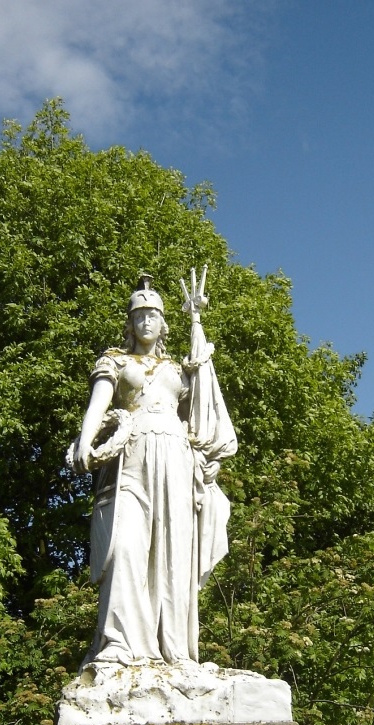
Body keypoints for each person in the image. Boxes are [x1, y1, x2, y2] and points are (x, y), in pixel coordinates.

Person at [72, 269, 237, 670]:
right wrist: (84, 440)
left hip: (175, 458)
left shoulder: (178, 370)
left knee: (172, 553)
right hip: (130, 456)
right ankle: (119, 643)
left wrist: (196, 319)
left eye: (153, 315)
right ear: (130, 323)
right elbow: (98, 404)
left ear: (163, 323)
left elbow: (204, 403)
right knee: (124, 545)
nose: (146, 321)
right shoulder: (115, 360)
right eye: (139, 315)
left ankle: (173, 648)